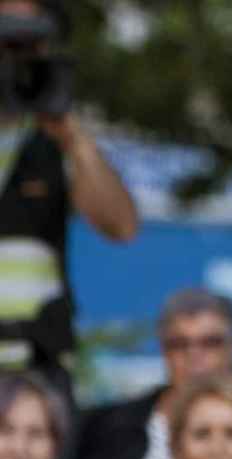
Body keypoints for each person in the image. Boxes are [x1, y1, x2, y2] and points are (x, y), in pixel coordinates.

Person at [0, 0, 137, 373]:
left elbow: (121, 226)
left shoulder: (55, 140)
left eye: (30, 42)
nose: (16, 57)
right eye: (7, 39)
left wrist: (73, 138)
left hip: (37, 363)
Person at [74, 288, 232, 459]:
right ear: (163, 350)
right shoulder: (114, 424)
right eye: (179, 344)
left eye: (210, 342)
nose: (194, 355)